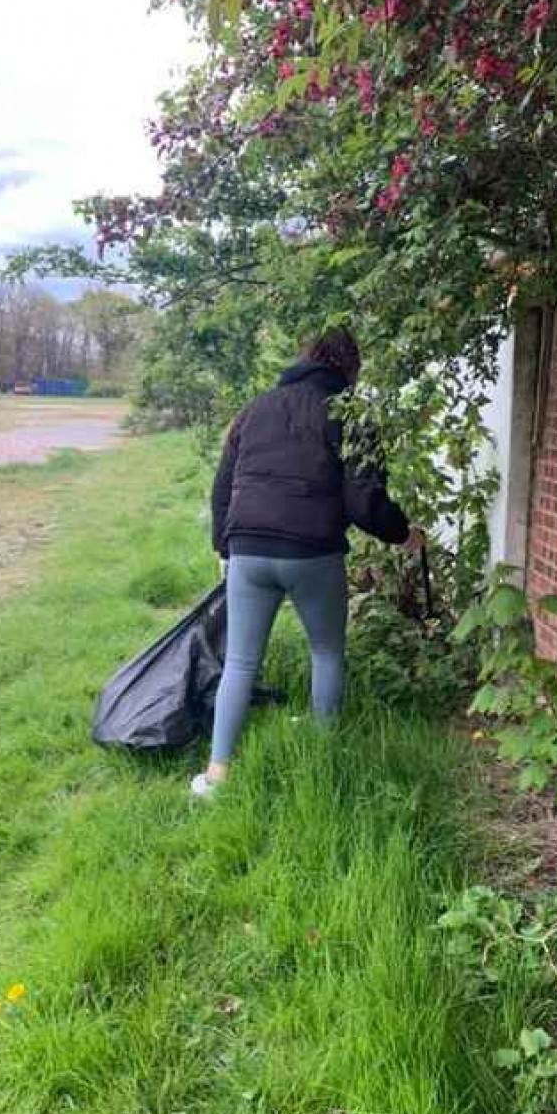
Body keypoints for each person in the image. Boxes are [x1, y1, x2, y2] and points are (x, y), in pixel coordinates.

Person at [190, 328, 423, 797]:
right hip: (313, 552)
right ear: (350, 368)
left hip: (248, 550)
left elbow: (223, 487)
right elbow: (363, 499)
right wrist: (402, 534)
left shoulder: (255, 409)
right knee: (327, 652)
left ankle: (216, 776)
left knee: (240, 662)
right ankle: (322, 756)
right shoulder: (348, 413)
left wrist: (225, 548)